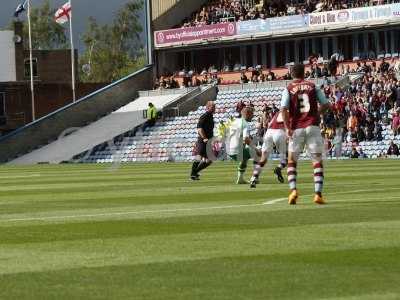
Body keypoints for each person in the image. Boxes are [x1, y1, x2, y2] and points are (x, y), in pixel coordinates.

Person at [281, 63, 331, 205]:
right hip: (312, 126)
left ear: (292, 73)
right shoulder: (313, 86)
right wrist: (315, 114)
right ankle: (318, 194)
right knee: (317, 161)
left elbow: (283, 109)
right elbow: (327, 104)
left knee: (292, 161)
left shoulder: (288, 88)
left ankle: (293, 191)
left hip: (296, 127)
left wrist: (286, 127)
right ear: (304, 73)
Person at [250, 110, 288, 188]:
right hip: (280, 132)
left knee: (263, 159)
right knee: (288, 157)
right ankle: (278, 168)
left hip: (269, 133)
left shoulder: (279, 112)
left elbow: (270, 123)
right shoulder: (292, 111)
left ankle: (254, 177)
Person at [226, 106, 258, 184]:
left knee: (245, 157)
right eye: (252, 114)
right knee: (259, 154)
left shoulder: (234, 121)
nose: (253, 116)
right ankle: (254, 178)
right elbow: (246, 139)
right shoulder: (245, 124)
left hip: (229, 150)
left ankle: (240, 179)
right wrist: (256, 149)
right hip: (237, 151)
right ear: (248, 114)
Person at [190, 101, 216, 180]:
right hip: (203, 140)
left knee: (209, 160)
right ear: (208, 108)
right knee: (199, 156)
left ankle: (195, 172)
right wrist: (204, 138)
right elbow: (199, 128)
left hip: (208, 141)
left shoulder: (211, 116)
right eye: (213, 107)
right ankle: (193, 174)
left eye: (214, 107)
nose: (214, 108)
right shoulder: (204, 116)